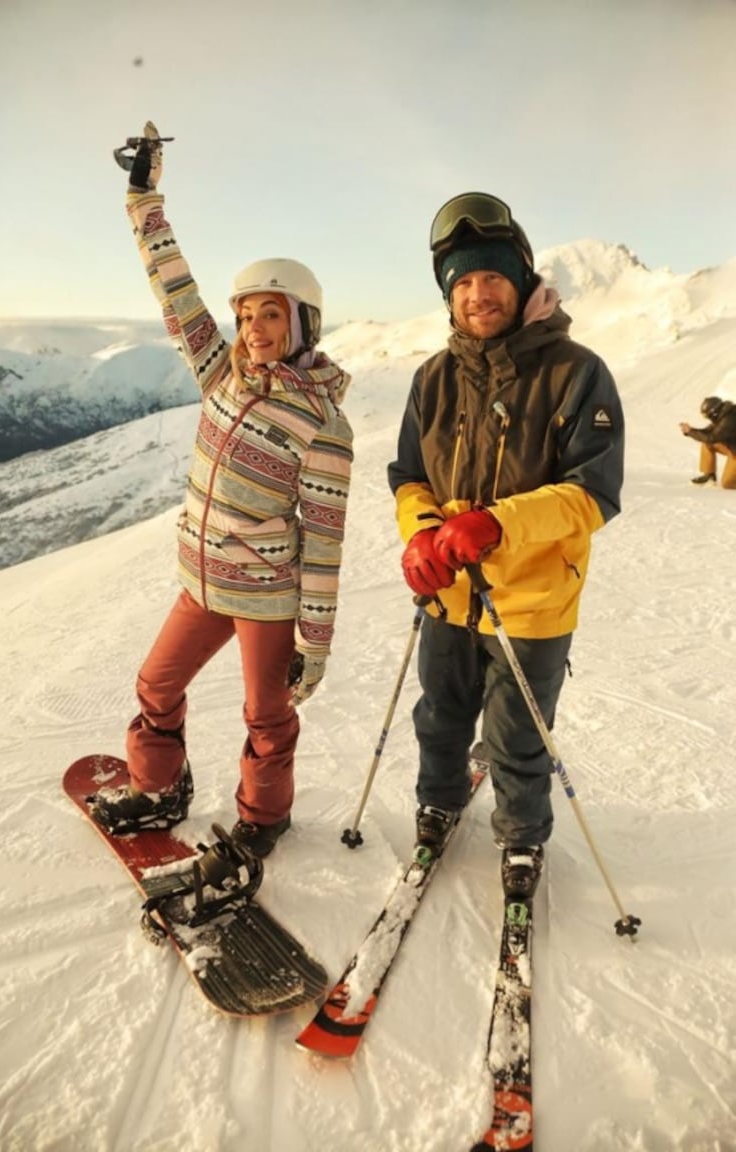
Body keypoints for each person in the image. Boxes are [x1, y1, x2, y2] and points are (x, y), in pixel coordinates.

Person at [89, 123, 354, 857]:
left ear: (301, 321)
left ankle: (263, 820)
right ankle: (159, 788)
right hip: (200, 580)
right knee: (155, 684)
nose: (253, 326)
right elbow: (176, 292)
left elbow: (326, 541)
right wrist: (144, 199)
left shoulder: (323, 425)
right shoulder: (221, 373)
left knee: (267, 718)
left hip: (267, 593)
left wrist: (316, 642)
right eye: (245, 314)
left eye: (271, 313)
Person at [387, 191, 624, 896]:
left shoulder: (577, 373)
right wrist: (421, 536)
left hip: (532, 602)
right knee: (440, 716)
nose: (476, 294)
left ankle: (521, 838)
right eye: (460, 282)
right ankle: (438, 802)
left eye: (490, 277)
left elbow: (593, 493)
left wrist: (497, 525)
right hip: (447, 594)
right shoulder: (432, 377)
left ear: (522, 281)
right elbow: (406, 475)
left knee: (519, 736)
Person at [679, 396, 736, 488]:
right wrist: (690, 430)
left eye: (708, 415)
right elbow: (708, 432)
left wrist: (690, 432)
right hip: (732, 448)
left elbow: (712, 437)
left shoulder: (730, 420)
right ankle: (709, 476)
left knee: (728, 484)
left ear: (714, 412)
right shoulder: (723, 415)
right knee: (707, 444)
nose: (708, 418)